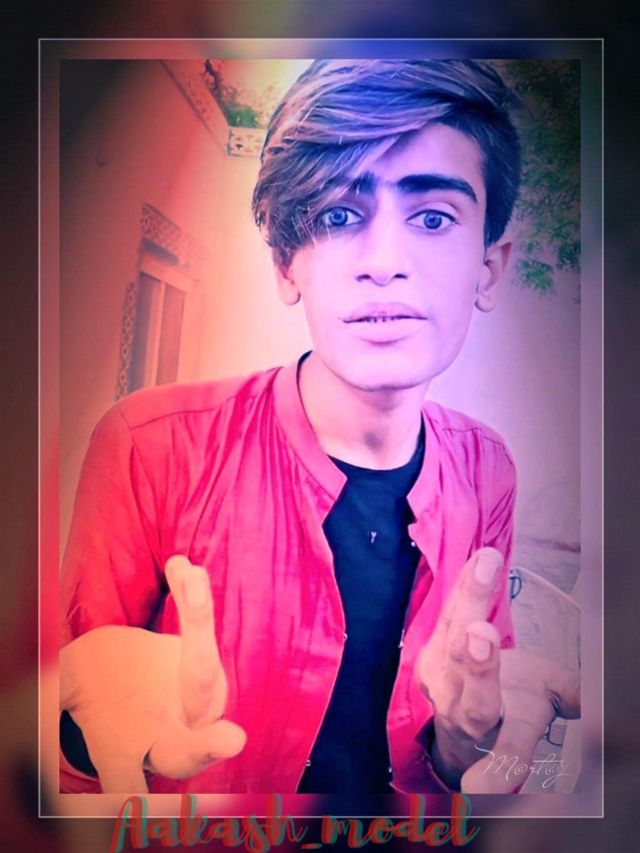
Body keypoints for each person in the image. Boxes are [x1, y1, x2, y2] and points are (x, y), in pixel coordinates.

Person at [59, 58, 580, 796]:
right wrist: (81, 741)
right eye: (338, 215)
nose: (384, 263)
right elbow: (82, 722)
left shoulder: (487, 469)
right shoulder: (151, 445)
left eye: (433, 217)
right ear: (286, 265)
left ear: (488, 269)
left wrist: (469, 740)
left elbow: (463, 739)